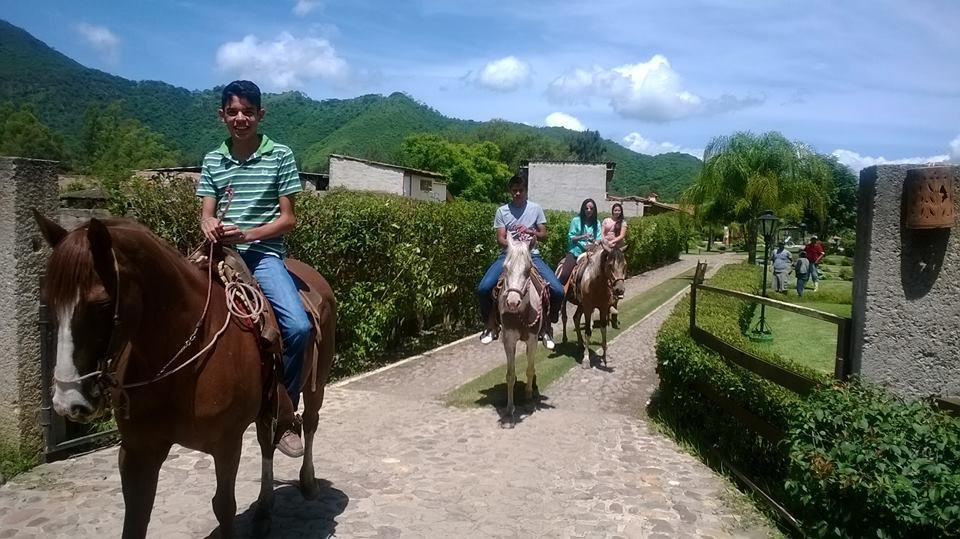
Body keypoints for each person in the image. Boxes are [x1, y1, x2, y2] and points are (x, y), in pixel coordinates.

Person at [196, 80, 309, 458]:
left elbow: (288, 219)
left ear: (261, 115)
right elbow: (206, 215)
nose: (240, 118)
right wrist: (209, 226)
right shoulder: (213, 159)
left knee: (298, 327)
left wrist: (246, 232)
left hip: (262, 255)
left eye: (247, 111)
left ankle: (283, 412)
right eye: (232, 112)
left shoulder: (280, 156)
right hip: (218, 252)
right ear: (222, 116)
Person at [476, 174, 564, 349]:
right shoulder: (502, 211)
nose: (517, 193)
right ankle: (490, 326)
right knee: (483, 288)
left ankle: (547, 327)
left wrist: (532, 233)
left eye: (521, 190)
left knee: (558, 290)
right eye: (514, 190)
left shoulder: (536, 208)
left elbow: (544, 234)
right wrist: (512, 244)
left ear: (526, 191)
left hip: (532, 255)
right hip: (508, 255)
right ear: (510, 191)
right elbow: (500, 238)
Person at [558, 198, 601, 286]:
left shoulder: (597, 223)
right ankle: (559, 294)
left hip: (592, 253)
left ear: (594, 210)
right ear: (583, 209)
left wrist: (595, 242)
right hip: (576, 251)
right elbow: (571, 237)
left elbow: (599, 238)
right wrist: (583, 236)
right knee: (564, 275)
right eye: (586, 208)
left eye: (591, 208)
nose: (589, 210)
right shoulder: (576, 220)